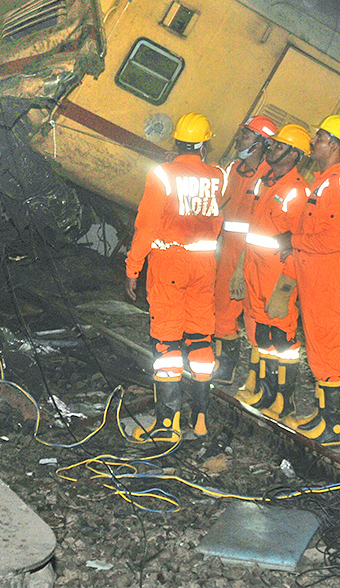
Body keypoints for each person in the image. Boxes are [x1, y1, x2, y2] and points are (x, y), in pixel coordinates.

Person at [125, 113, 226, 442]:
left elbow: (146, 227)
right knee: (200, 339)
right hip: (204, 264)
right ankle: (200, 419)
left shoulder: (163, 175)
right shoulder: (217, 176)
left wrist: (132, 268)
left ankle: (167, 426)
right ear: (204, 144)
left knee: (167, 342)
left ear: (178, 141)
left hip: (170, 262)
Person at [281, 114, 340, 446]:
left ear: (334, 143)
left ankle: (335, 427)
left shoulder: (338, 185)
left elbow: (335, 238)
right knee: (318, 351)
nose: (313, 142)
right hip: (315, 275)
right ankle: (322, 415)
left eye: (319, 136)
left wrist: (293, 241)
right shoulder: (324, 181)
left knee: (328, 352)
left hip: (326, 276)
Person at [234, 124, 311, 420]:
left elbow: (297, 244)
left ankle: (285, 401)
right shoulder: (266, 182)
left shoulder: (298, 191)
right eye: (274, 144)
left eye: (279, 147)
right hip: (255, 270)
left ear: (294, 154)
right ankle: (265, 393)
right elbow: (254, 229)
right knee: (263, 337)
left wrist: (285, 289)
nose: (272, 149)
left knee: (284, 342)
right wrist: (240, 267)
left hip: (278, 275)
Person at [211, 114, 277, 386]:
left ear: (261, 143)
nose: (239, 139)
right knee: (223, 310)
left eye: (247, 136)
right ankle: (223, 369)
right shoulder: (233, 168)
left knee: (253, 317)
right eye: (242, 134)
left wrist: (241, 265)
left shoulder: (268, 178)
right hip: (227, 250)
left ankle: (258, 380)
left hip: (252, 258)